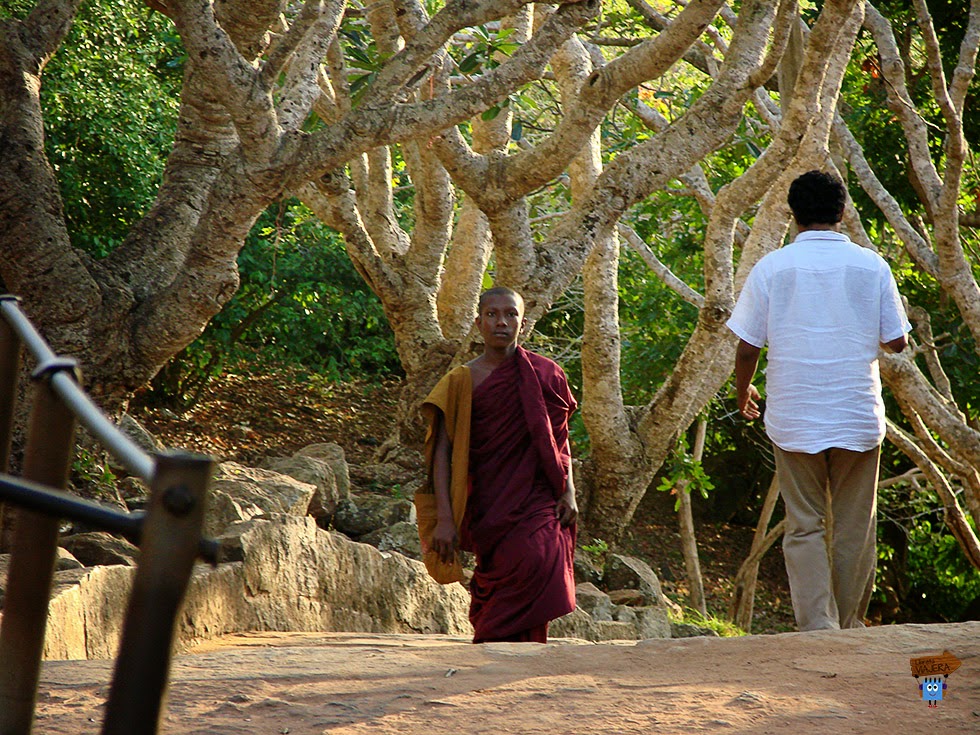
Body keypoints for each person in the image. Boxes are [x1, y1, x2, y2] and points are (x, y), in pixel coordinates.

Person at [726, 170, 912, 631]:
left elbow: (748, 345)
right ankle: (849, 625)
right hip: (855, 414)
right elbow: (897, 343)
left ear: (792, 215)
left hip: (794, 415)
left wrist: (743, 386)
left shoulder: (772, 267)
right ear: (843, 212)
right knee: (854, 526)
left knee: (804, 523)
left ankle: (817, 627)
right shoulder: (872, 267)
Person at [415, 287, 578, 643]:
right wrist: (444, 518)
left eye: (510, 314)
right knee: (500, 576)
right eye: (492, 315)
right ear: (478, 322)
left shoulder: (546, 374)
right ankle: (495, 652)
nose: (501, 322)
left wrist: (569, 492)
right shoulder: (460, 381)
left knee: (539, 557)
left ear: (523, 321)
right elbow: (440, 453)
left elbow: (560, 442)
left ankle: (523, 652)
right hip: (486, 501)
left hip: (536, 495)